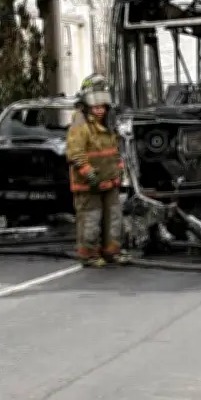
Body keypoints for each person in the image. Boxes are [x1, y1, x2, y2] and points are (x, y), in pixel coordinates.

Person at [66, 75, 130, 267]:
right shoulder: (80, 125)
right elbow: (75, 153)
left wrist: (119, 170)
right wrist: (88, 173)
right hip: (88, 184)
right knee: (91, 220)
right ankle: (90, 255)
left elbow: (114, 151)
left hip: (109, 182)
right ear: (86, 105)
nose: (100, 110)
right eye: (96, 106)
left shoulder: (108, 124)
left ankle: (112, 252)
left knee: (114, 219)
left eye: (102, 106)